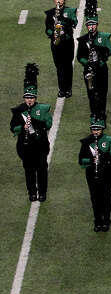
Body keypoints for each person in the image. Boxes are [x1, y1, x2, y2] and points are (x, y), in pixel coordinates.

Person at [11, 64, 51, 202]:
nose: (29, 100)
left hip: (40, 145)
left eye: (32, 97)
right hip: (25, 145)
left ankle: (42, 192)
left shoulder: (43, 109)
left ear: (35, 97)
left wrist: (36, 123)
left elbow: (49, 123)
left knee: (41, 170)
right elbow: (13, 127)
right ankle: (32, 192)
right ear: (24, 97)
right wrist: (22, 128)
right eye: (27, 97)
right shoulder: (18, 110)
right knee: (29, 171)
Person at [75, 0, 111, 120]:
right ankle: (94, 113)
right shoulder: (83, 40)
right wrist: (87, 63)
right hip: (89, 70)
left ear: (97, 25)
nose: (91, 27)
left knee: (102, 93)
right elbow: (79, 56)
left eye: (93, 24)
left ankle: (101, 113)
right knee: (91, 93)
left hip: (101, 69)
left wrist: (102, 58)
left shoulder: (103, 37)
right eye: (89, 25)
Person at [78, 108, 111, 231]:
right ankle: (98, 221)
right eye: (94, 129)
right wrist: (90, 160)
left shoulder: (109, 141)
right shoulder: (86, 142)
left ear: (102, 129)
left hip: (105, 173)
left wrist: (102, 157)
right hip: (91, 174)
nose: (96, 132)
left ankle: (106, 220)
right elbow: (81, 160)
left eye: (98, 129)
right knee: (95, 198)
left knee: (105, 197)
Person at [44, 0, 76, 98]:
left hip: (67, 42)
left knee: (67, 65)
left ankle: (68, 88)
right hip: (55, 43)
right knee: (59, 67)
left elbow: (74, 22)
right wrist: (53, 32)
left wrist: (62, 22)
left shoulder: (70, 11)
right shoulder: (50, 13)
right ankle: (61, 88)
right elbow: (47, 28)